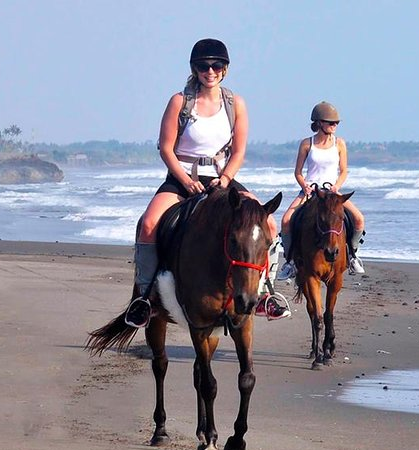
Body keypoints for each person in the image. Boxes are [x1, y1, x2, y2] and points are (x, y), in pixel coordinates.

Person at [124, 38, 291, 328]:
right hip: (181, 177)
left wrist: (225, 179)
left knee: (270, 223)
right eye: (204, 66)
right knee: (149, 223)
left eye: (217, 65)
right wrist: (186, 181)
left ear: (225, 69)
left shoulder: (235, 103)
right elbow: (165, 148)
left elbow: (238, 152)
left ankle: (266, 292)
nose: (210, 71)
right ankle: (145, 297)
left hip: (222, 179)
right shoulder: (180, 101)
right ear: (194, 68)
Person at [277, 101, 366, 280]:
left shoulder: (340, 144)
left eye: (336, 123)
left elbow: (344, 171)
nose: (335, 126)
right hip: (311, 191)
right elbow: (298, 172)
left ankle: (353, 255)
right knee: (286, 220)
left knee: (358, 219)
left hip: (332, 192)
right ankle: (290, 262)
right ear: (319, 123)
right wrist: (304, 186)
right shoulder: (306, 144)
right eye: (331, 122)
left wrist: (337, 187)